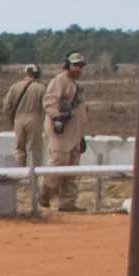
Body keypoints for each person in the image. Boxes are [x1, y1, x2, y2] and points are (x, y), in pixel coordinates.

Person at [0, 57, 54, 214]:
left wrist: (13, 118)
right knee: (34, 150)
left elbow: (6, 105)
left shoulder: (15, 87)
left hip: (18, 119)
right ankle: (34, 180)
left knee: (20, 149)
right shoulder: (40, 88)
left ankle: (19, 175)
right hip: (34, 119)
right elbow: (47, 105)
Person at [45, 51, 90, 214]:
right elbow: (50, 102)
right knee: (58, 164)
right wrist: (57, 117)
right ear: (67, 65)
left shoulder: (76, 85)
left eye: (80, 65)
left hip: (75, 134)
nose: (78, 68)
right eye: (75, 65)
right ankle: (45, 195)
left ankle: (67, 203)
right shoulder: (59, 81)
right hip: (61, 132)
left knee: (72, 169)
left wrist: (81, 136)